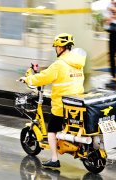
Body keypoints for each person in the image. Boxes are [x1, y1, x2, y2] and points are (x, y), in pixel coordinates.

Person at [20, 33, 86, 168]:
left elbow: (43, 77)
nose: (55, 49)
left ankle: (54, 159)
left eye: (56, 46)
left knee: (51, 130)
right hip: (77, 101)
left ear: (61, 47)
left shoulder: (59, 64)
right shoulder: (78, 63)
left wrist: (27, 79)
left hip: (62, 105)